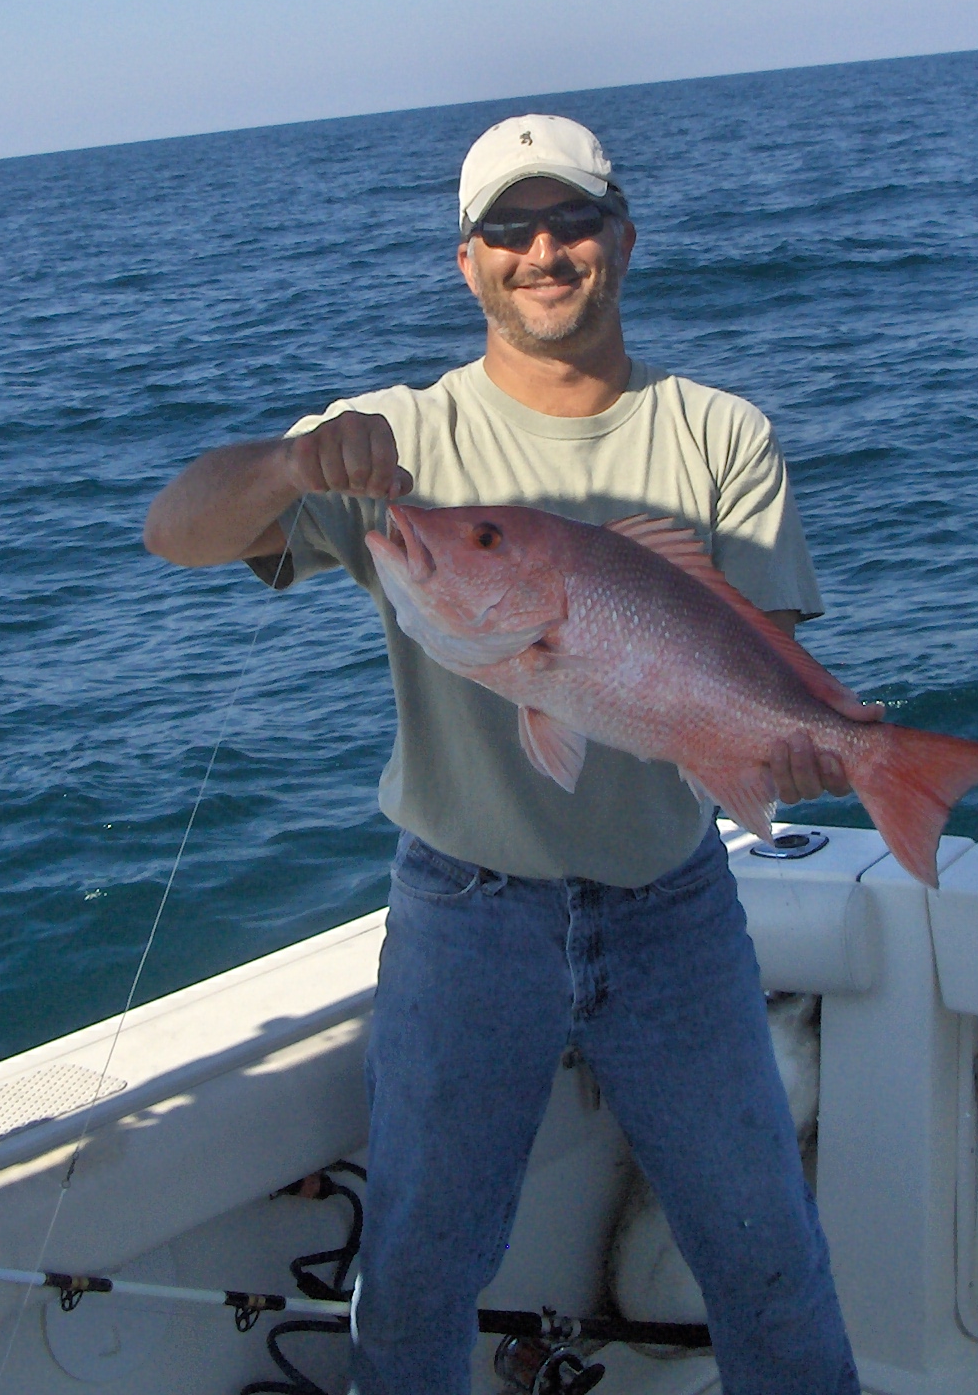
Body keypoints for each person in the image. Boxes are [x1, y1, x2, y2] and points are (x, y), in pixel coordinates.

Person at [143, 115, 861, 1395]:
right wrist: (293, 461)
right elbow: (176, 531)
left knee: (768, 1262)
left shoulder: (718, 436)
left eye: (572, 221)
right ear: (466, 262)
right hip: (462, 917)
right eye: (509, 231)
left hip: (674, 910)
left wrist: (798, 750)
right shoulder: (390, 445)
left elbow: (758, 667)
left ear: (622, 238)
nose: (545, 251)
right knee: (415, 1276)